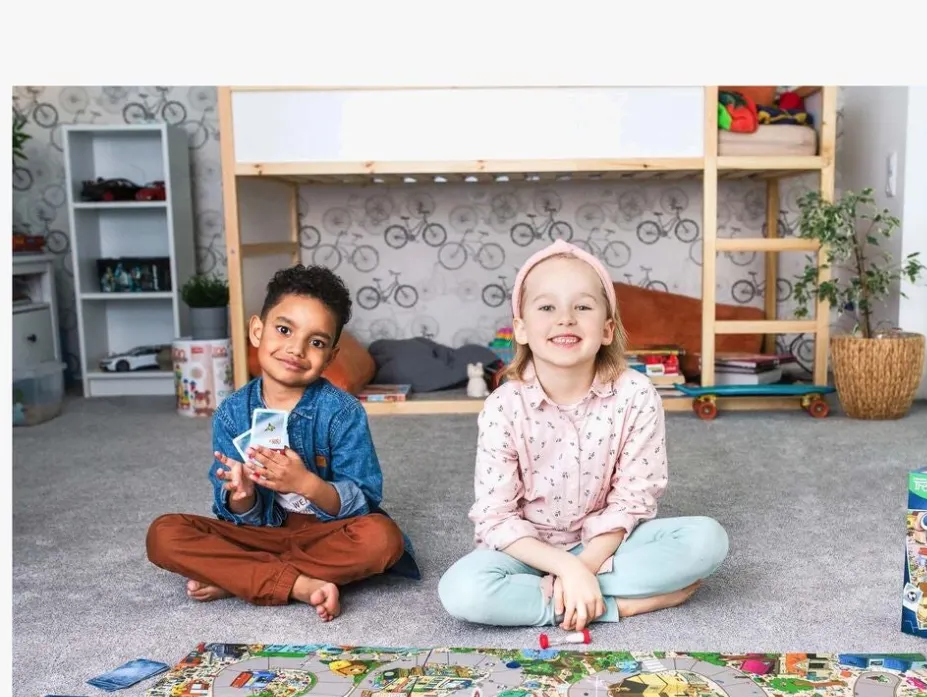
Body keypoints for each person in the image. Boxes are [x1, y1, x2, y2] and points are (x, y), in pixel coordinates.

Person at [438, 240, 728, 629]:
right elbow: (496, 517)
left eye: (583, 307)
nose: (566, 319)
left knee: (707, 541)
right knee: (462, 591)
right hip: (526, 554)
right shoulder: (503, 407)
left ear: (607, 329)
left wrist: (583, 565)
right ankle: (618, 605)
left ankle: (562, 595)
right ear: (520, 329)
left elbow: (634, 499)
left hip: (608, 546)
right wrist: (565, 568)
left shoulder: (636, 395)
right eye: (547, 307)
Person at [147, 265, 415, 622]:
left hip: (327, 537)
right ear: (257, 331)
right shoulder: (232, 413)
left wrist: (306, 484)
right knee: (164, 533)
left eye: (316, 342)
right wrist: (242, 497)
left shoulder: (342, 412)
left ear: (331, 356)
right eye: (284, 330)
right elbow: (232, 513)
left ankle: (241, 578)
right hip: (259, 536)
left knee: (383, 538)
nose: (296, 349)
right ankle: (297, 583)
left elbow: (363, 501)